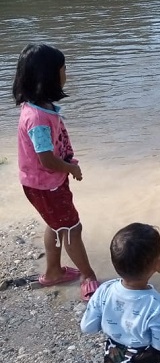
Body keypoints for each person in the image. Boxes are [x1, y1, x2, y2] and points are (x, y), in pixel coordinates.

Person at [12, 43, 100, 301]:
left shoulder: (40, 106)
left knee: (56, 224)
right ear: (50, 76)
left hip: (43, 183)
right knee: (72, 228)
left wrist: (67, 163)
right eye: (64, 68)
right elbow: (47, 160)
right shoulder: (37, 119)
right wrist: (71, 168)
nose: (66, 73)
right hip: (47, 183)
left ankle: (53, 272)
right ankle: (88, 275)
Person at [81, 223, 160, 363]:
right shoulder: (157, 304)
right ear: (159, 265)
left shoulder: (104, 290)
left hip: (114, 359)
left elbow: (88, 327)